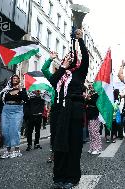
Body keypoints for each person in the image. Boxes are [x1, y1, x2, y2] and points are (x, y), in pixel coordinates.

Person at [49, 29, 89, 188]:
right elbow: (51, 82)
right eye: (67, 57)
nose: (69, 58)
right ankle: (59, 176)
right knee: (59, 144)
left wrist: (80, 40)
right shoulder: (60, 74)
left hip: (75, 110)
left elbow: (85, 58)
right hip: (59, 112)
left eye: (72, 57)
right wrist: (62, 67)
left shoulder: (80, 73)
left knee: (73, 145)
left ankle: (72, 177)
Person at [0, 74, 28, 158]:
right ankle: (8, 151)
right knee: (5, 130)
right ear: (11, 80)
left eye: (17, 78)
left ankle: (17, 150)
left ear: (18, 80)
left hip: (17, 110)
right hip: (6, 110)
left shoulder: (22, 89)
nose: (15, 79)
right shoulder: (6, 90)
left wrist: (21, 90)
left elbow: (26, 99)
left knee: (15, 129)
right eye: (14, 78)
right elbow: (1, 102)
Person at [41, 51, 59, 163]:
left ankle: (63, 154)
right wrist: (50, 59)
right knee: (54, 132)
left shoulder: (70, 80)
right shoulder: (54, 80)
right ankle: (53, 153)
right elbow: (44, 70)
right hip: (56, 109)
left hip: (66, 109)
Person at [86, 84, 102, 155]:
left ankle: (98, 148)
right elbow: (86, 103)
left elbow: (95, 103)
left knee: (95, 132)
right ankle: (92, 147)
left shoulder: (97, 94)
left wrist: (88, 98)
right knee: (91, 132)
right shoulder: (91, 94)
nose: (91, 86)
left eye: (92, 86)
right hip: (89, 115)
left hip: (94, 115)